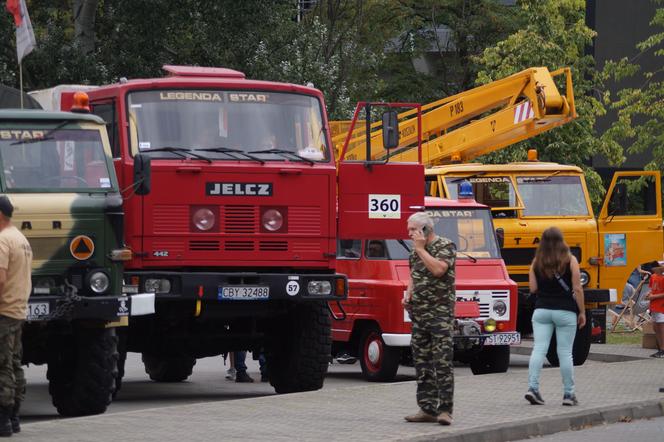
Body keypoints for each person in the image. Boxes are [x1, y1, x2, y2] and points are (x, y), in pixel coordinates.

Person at [402, 212, 456, 426]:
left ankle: (445, 410)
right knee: (422, 363)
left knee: (442, 363)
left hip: (440, 315)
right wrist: (408, 294)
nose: (409, 233)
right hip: (420, 315)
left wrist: (421, 249)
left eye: (412, 230)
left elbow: (439, 270)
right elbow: (413, 274)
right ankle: (427, 408)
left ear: (425, 230)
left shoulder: (445, 246)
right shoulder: (415, 252)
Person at [525, 227, 585, 407]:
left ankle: (533, 388)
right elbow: (577, 288)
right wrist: (581, 312)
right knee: (565, 353)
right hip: (565, 311)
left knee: (538, 349)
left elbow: (533, 288)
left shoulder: (537, 261)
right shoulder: (570, 259)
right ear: (562, 241)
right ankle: (568, 394)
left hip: (542, 310)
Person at [0, 196, 32, 437]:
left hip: (3, 311)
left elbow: (0, 279)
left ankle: (3, 420)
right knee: (14, 363)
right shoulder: (20, 238)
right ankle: (15, 417)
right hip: (18, 309)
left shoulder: (2, 240)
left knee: (2, 366)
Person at [646, 265, 664, 358]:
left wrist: (653, 296)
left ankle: (662, 349)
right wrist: (649, 294)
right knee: (656, 327)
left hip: (661, 305)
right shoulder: (653, 276)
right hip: (654, 305)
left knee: (660, 327)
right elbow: (651, 289)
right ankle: (660, 348)